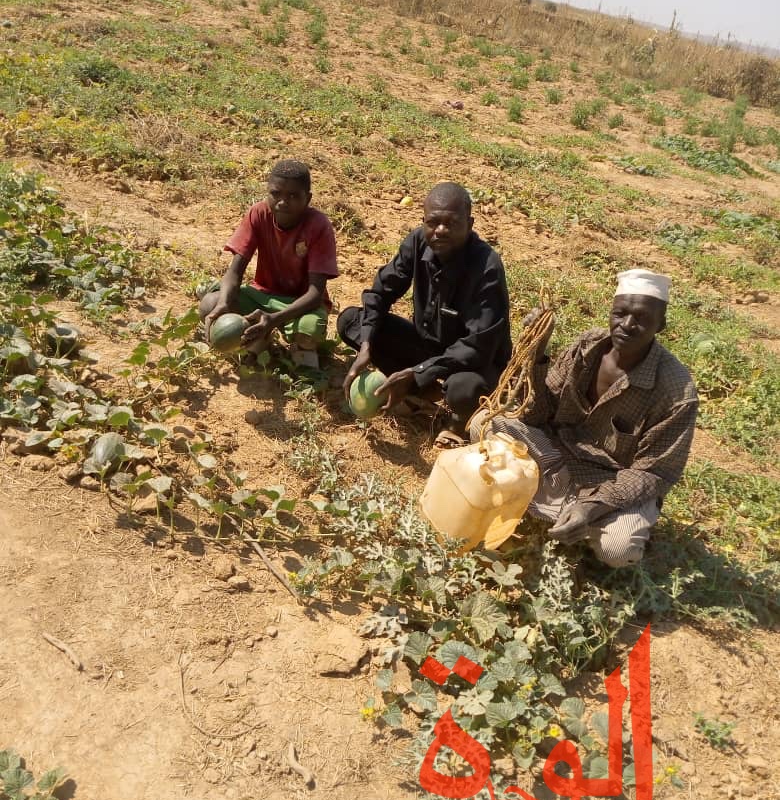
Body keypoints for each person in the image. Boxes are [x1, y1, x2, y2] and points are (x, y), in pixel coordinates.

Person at [470, 269, 698, 567]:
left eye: (641, 319)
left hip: (612, 484)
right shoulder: (587, 347)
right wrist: (537, 354)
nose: (627, 325)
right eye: (620, 314)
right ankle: (557, 505)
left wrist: (590, 507)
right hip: (559, 456)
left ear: (661, 325)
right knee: (485, 424)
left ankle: (573, 513)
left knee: (619, 550)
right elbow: (539, 415)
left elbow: (655, 473)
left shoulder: (676, 391)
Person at [338, 181, 512, 443]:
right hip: (428, 349)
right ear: (423, 222)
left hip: (471, 363)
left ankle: (454, 422)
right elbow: (380, 293)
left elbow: (477, 346)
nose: (440, 231)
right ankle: (420, 389)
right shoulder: (418, 242)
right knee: (352, 321)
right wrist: (366, 347)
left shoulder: (487, 267)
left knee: (464, 389)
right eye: (432, 223)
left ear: (470, 223)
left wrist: (417, 371)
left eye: (451, 223)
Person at [200, 160, 339, 367]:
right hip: (263, 295)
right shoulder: (258, 214)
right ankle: (259, 344)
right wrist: (224, 304)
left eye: (293, 196)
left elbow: (315, 293)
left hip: (301, 304)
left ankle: (299, 353)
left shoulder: (318, 226)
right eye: (276, 194)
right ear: (267, 193)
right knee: (211, 303)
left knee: (308, 332)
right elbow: (235, 271)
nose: (283, 202)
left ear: (307, 199)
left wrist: (274, 318)